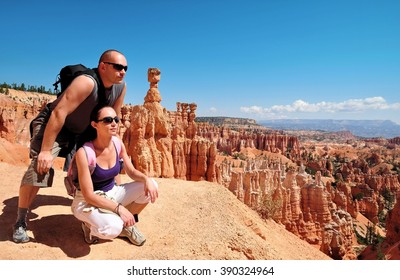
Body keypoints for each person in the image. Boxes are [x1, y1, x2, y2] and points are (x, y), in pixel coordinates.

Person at [13, 49, 128, 243]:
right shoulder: (86, 82)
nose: (123, 71)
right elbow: (59, 113)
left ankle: (91, 217)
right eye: (118, 67)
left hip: (82, 130)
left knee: (97, 169)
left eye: (125, 68)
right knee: (39, 170)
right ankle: (20, 220)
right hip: (56, 125)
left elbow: (112, 117)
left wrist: (114, 150)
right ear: (103, 66)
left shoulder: (120, 87)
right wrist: (46, 151)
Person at [71, 105, 158, 245]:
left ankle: (127, 225)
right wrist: (119, 209)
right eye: (107, 120)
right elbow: (89, 195)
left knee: (151, 185)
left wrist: (146, 179)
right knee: (112, 228)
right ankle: (88, 226)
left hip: (112, 192)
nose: (114, 123)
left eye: (116, 120)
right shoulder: (85, 153)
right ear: (94, 124)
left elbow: (131, 171)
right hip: (87, 201)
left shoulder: (118, 144)